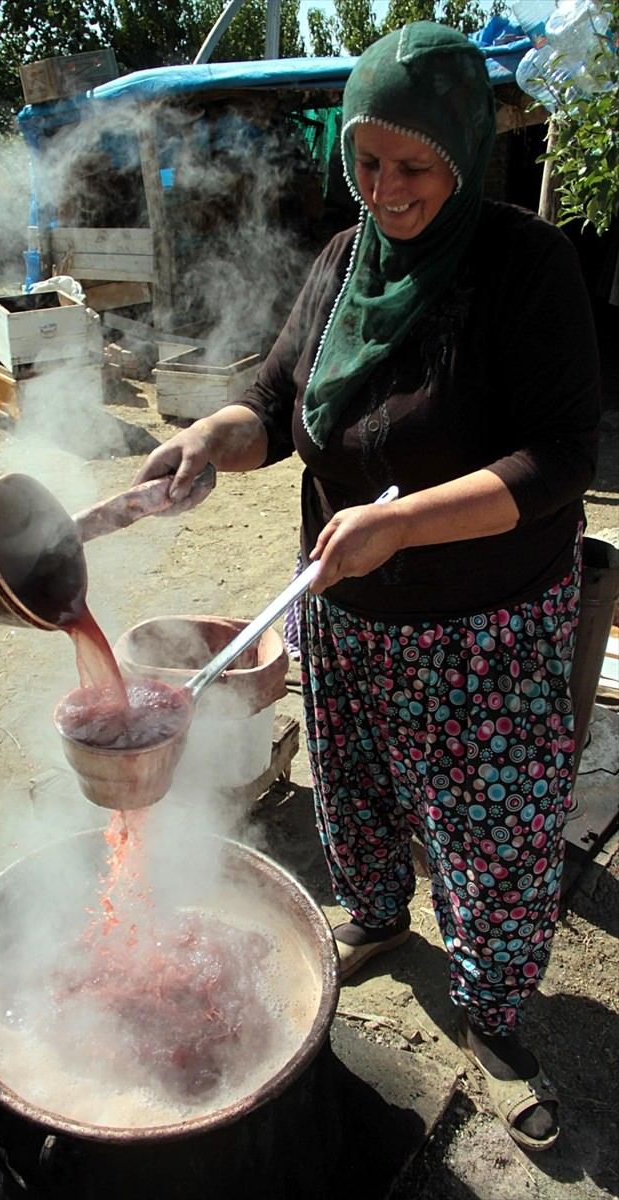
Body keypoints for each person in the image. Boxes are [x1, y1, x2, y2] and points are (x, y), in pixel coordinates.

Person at [135, 21, 601, 1151]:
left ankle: (489, 1015)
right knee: (356, 792)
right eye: (363, 160)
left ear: (460, 154)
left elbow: (556, 463)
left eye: (410, 165)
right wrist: (210, 440)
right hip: (343, 609)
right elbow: (273, 405)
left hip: (484, 625)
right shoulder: (345, 263)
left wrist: (403, 525)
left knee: (491, 835)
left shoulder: (521, 268)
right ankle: (382, 920)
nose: (383, 189)